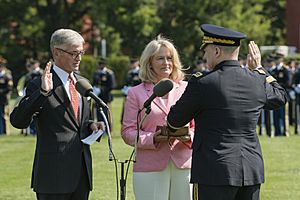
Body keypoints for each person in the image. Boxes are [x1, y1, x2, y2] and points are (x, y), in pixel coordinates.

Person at [167, 24, 287, 200]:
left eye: (206, 51)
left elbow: (174, 120)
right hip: (250, 170)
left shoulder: (203, 83)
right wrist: (260, 69)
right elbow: (280, 96)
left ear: (216, 51)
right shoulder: (256, 80)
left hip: (214, 171)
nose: (204, 56)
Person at [10, 28, 105, 200]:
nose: (79, 58)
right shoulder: (39, 84)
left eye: (81, 52)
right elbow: (18, 121)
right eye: (74, 53)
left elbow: (75, 122)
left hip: (82, 174)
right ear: (56, 52)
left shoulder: (82, 83)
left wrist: (91, 125)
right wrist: (42, 93)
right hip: (53, 176)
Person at [121, 36, 195, 200]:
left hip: (183, 164)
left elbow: (199, 126)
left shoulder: (187, 88)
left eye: (169, 58)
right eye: (160, 58)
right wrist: (152, 138)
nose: (166, 63)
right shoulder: (136, 93)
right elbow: (128, 132)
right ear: (149, 62)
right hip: (149, 166)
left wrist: (189, 135)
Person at [0, 56, 13, 134]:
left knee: (4, 115)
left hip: (4, 98)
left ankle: (5, 131)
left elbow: (9, 87)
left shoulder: (6, 75)